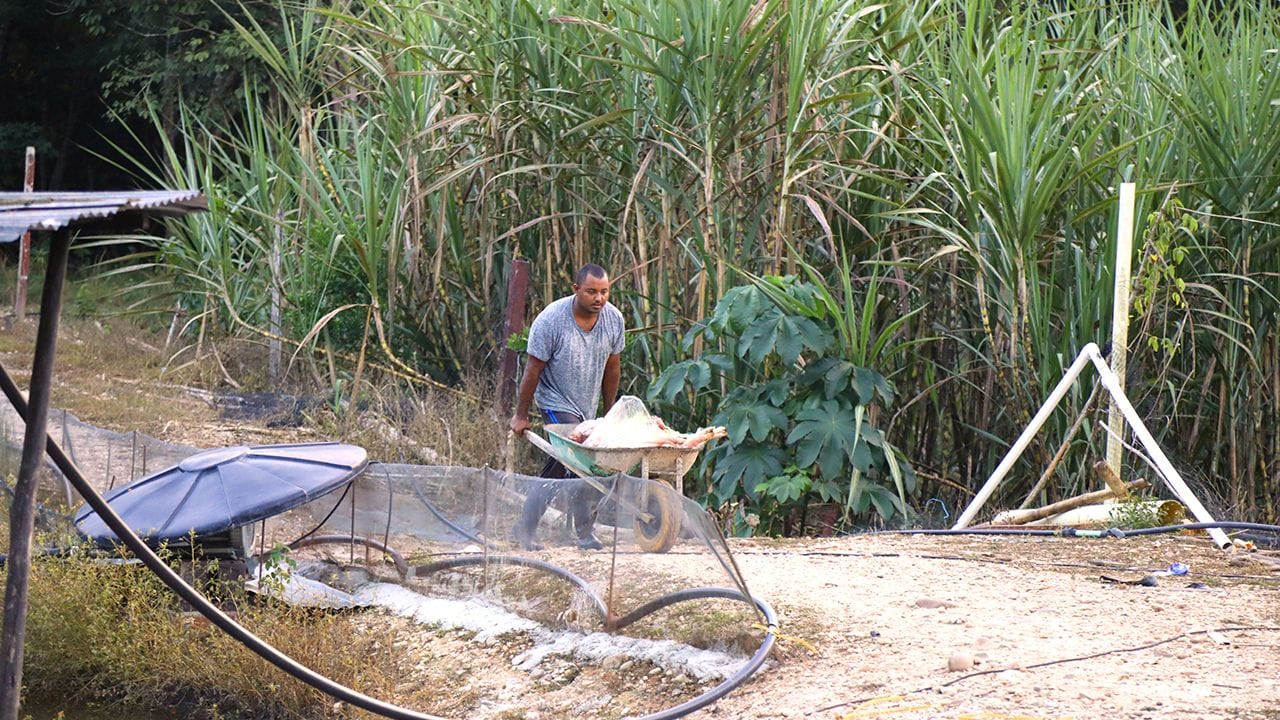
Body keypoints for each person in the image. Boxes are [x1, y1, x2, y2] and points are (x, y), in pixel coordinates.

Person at [508, 263, 624, 550]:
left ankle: (580, 531)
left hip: (587, 404)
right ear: (576, 290)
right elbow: (532, 370)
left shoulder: (613, 320)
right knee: (568, 460)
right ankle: (546, 530)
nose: (599, 299)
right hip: (554, 399)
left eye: (604, 292)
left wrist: (608, 415)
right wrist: (521, 415)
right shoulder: (551, 321)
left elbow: (613, 368)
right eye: (591, 292)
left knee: (589, 464)